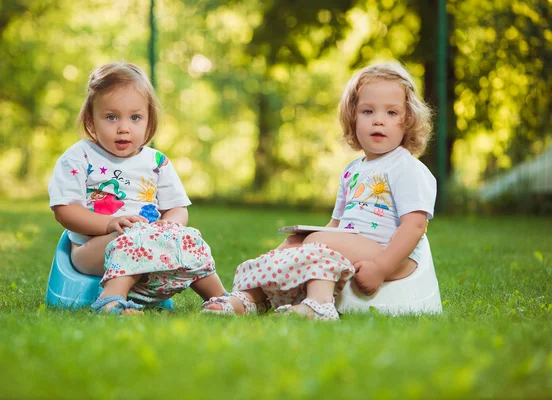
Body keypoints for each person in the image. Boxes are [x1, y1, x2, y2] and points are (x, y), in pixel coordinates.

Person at [202, 61, 436, 320]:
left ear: (409, 120)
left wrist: (381, 268)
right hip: (359, 247)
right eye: (368, 111)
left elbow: (414, 227)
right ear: (353, 117)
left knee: (316, 242)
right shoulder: (352, 170)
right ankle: (250, 297)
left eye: (392, 113)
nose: (379, 121)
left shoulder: (405, 167)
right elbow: (336, 223)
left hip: (391, 256)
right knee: (293, 242)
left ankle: (319, 305)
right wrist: (304, 240)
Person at [49, 62, 227, 315]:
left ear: (148, 120)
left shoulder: (156, 162)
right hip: (95, 249)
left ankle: (221, 299)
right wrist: (109, 224)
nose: (124, 127)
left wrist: (170, 225)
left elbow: (176, 208)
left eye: (135, 117)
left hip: (150, 241)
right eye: (111, 117)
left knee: (190, 238)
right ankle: (111, 301)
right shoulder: (79, 157)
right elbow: (64, 211)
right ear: (91, 119)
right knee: (133, 239)